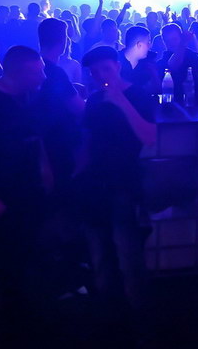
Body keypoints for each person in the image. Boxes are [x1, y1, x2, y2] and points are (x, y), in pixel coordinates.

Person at [77, 47, 156, 320]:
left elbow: (149, 137)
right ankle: (109, 314)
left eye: (106, 69)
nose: (101, 76)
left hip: (125, 182)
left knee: (128, 254)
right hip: (95, 183)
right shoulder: (94, 100)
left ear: (117, 67)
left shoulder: (138, 95)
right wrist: (78, 174)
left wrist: (121, 101)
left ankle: (138, 315)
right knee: (100, 253)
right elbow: (88, 141)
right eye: (95, 72)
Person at [0, 47, 49, 341]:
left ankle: (20, 327)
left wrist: (45, 168)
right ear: (20, 72)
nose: (43, 76)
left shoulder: (28, 96)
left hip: (26, 194)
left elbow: (34, 137)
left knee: (22, 263)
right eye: (38, 71)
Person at [37, 18, 84, 198]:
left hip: (41, 140)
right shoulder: (55, 72)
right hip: (58, 141)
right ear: (63, 41)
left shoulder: (35, 66)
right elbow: (78, 108)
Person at [157, 24, 198, 105]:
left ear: (181, 38)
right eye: (167, 41)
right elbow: (173, 66)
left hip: (194, 103)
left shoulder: (194, 57)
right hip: (170, 105)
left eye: (174, 39)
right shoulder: (161, 62)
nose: (171, 43)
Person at [119, 25, 160, 94]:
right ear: (139, 45)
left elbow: (157, 91)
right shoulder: (115, 64)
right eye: (148, 42)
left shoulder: (148, 63)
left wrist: (154, 75)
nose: (150, 46)